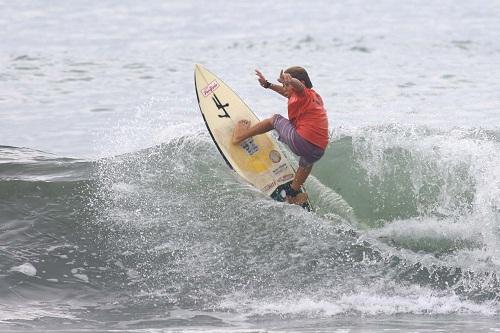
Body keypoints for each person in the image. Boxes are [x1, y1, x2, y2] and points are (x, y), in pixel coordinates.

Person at [232, 66, 329, 205]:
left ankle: (240, 135)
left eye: (286, 84)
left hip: (301, 142)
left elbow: (299, 87)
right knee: (306, 164)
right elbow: (287, 92)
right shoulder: (313, 97)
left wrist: (293, 81)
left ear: (300, 82)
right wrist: (268, 85)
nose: (284, 88)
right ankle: (293, 195)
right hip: (318, 149)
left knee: (275, 119)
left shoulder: (304, 93)